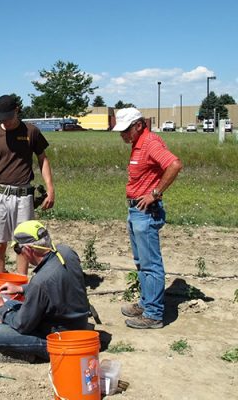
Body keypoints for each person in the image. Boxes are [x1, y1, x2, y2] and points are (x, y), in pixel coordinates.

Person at [112, 107, 183, 329]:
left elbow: (174, 164)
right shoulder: (138, 143)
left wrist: (155, 193)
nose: (122, 135)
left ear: (139, 125)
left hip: (145, 212)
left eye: (125, 130)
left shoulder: (151, 142)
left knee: (151, 264)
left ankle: (153, 314)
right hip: (136, 211)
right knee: (141, 262)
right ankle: (146, 303)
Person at [0, 220, 91, 362]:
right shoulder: (67, 252)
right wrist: (21, 288)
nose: (20, 255)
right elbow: (56, 284)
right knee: (11, 305)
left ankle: (33, 353)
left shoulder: (40, 281)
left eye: (18, 250)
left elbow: (22, 325)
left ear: (28, 249)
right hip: (79, 323)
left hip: (62, 340)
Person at [0, 95, 55, 275]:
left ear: (17, 110)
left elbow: (43, 159)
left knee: (24, 244)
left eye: (8, 116)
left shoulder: (31, 131)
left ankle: (21, 287)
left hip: (23, 197)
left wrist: (50, 188)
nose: (5, 121)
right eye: (1, 118)